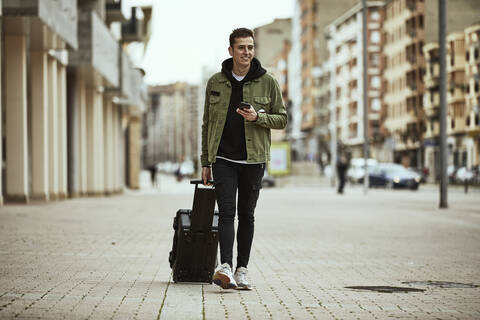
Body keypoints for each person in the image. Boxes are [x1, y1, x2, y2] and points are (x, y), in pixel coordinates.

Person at [201, 28, 287, 290]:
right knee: (227, 213)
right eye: (241, 47)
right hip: (224, 158)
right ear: (231, 51)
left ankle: (242, 270)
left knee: (246, 215)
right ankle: (225, 266)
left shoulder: (268, 82)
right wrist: (206, 161)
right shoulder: (216, 82)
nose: (247, 52)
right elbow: (207, 123)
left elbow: (282, 119)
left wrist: (257, 117)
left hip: (254, 160)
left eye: (250, 47)